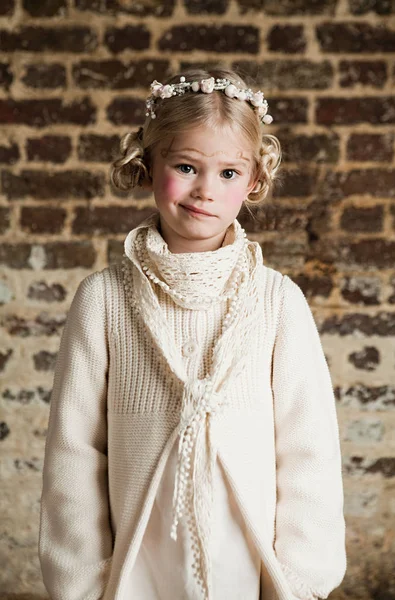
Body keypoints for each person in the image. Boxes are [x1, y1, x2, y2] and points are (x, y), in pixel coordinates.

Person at [38, 67, 346, 600]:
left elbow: (308, 448)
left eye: (229, 173)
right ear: (148, 165)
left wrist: (300, 577)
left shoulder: (276, 301)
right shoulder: (104, 299)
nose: (206, 190)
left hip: (244, 562)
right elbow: (75, 450)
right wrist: (82, 583)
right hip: (137, 560)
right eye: (186, 166)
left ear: (253, 181)